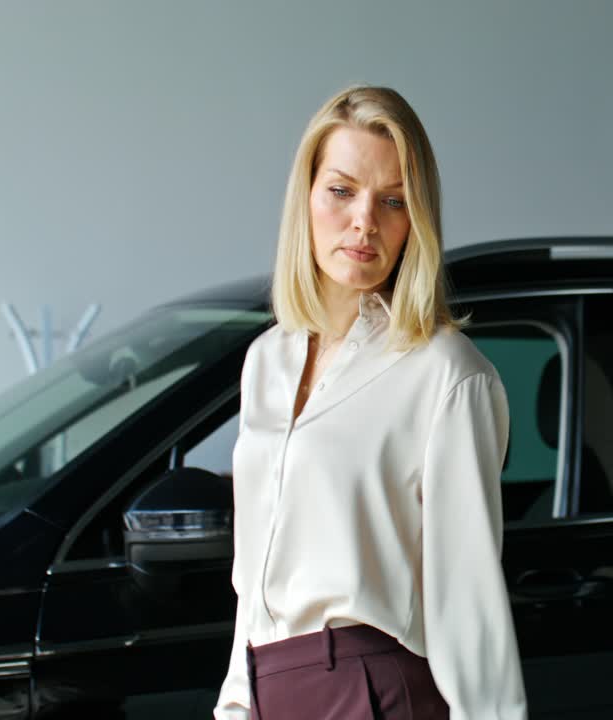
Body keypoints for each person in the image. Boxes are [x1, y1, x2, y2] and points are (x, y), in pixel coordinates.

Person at [212, 85, 527, 720]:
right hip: (269, 685)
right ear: (305, 196)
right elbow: (256, 574)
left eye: (392, 201)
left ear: (417, 221)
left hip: (374, 691)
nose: (364, 221)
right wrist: (236, 701)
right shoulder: (266, 362)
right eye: (341, 190)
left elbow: (468, 600)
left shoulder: (447, 374)